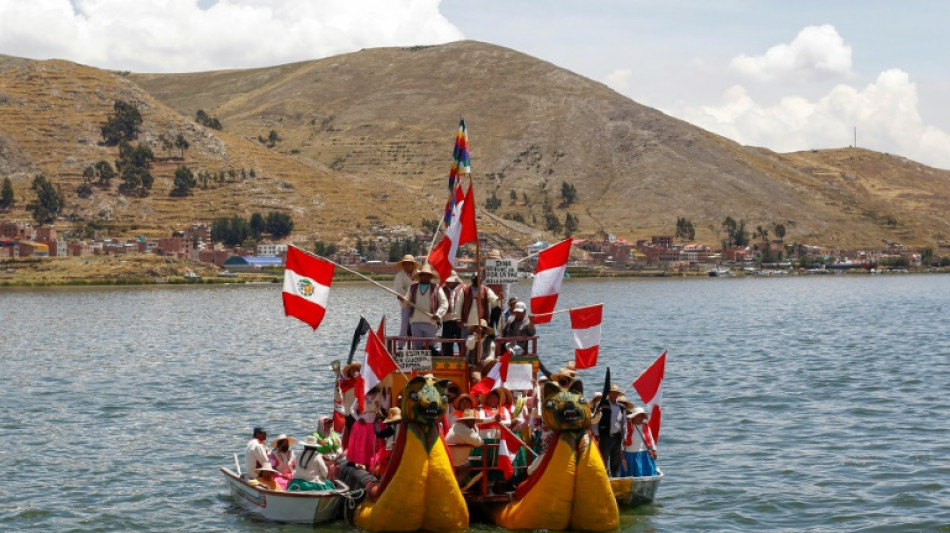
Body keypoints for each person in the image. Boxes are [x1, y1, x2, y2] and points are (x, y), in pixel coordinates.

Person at [400, 263, 448, 350]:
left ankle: (433, 362)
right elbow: (405, 303)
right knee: (417, 347)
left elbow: (444, 303)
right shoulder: (412, 287)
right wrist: (402, 299)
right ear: (420, 276)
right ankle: (417, 363)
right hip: (415, 322)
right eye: (424, 275)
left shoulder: (436, 288)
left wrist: (438, 314)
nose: (425, 277)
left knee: (431, 347)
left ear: (430, 277)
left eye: (428, 275)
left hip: (430, 322)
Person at [596, 385, 629, 477]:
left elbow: (624, 423)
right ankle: (604, 478)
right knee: (604, 459)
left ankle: (615, 478)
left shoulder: (621, 408)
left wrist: (625, 436)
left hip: (617, 437)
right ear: (609, 393)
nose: (614, 395)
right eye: (612, 392)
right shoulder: (602, 405)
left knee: (616, 460)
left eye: (616, 393)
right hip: (605, 436)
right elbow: (596, 421)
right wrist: (597, 434)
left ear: (618, 394)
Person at [346, 387, 382, 469]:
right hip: (362, 424)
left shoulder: (379, 395)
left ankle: (371, 463)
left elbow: (385, 405)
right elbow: (352, 409)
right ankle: (354, 460)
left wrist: (388, 395)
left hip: (374, 424)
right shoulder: (361, 395)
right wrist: (358, 418)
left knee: (372, 444)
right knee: (360, 443)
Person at [620, 407, 658, 477]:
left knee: (645, 472)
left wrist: (654, 451)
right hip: (630, 454)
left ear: (643, 417)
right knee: (631, 473)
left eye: (640, 416)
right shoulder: (628, 427)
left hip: (644, 454)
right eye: (637, 416)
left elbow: (651, 439)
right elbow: (623, 441)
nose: (639, 418)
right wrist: (622, 453)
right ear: (633, 418)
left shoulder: (646, 427)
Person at [461, 272, 500, 338]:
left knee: (481, 343)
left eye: (478, 279)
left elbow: (494, 301)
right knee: (466, 343)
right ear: (472, 279)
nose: (477, 281)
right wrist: (459, 319)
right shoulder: (465, 289)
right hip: (467, 322)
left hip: (481, 323)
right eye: (475, 279)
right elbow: (458, 304)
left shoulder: (486, 290)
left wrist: (498, 299)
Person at [394, 254, 419, 348]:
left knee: (416, 326)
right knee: (404, 326)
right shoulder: (399, 276)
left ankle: (416, 347)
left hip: (418, 306)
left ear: (412, 264)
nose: (407, 266)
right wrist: (408, 297)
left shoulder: (419, 274)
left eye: (409, 264)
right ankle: (400, 347)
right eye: (405, 264)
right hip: (406, 304)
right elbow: (399, 289)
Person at [440, 271, 467, 356]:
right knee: (447, 343)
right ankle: (447, 359)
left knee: (462, 342)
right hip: (447, 319)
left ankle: (463, 359)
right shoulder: (442, 290)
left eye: (450, 281)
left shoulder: (464, 288)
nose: (448, 283)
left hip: (460, 319)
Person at [372, 407, 402, 476]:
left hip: (392, 452)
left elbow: (379, 434)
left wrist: (375, 422)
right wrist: (382, 417)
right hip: (399, 450)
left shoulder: (393, 429)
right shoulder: (402, 425)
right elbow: (390, 424)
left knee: (386, 468)